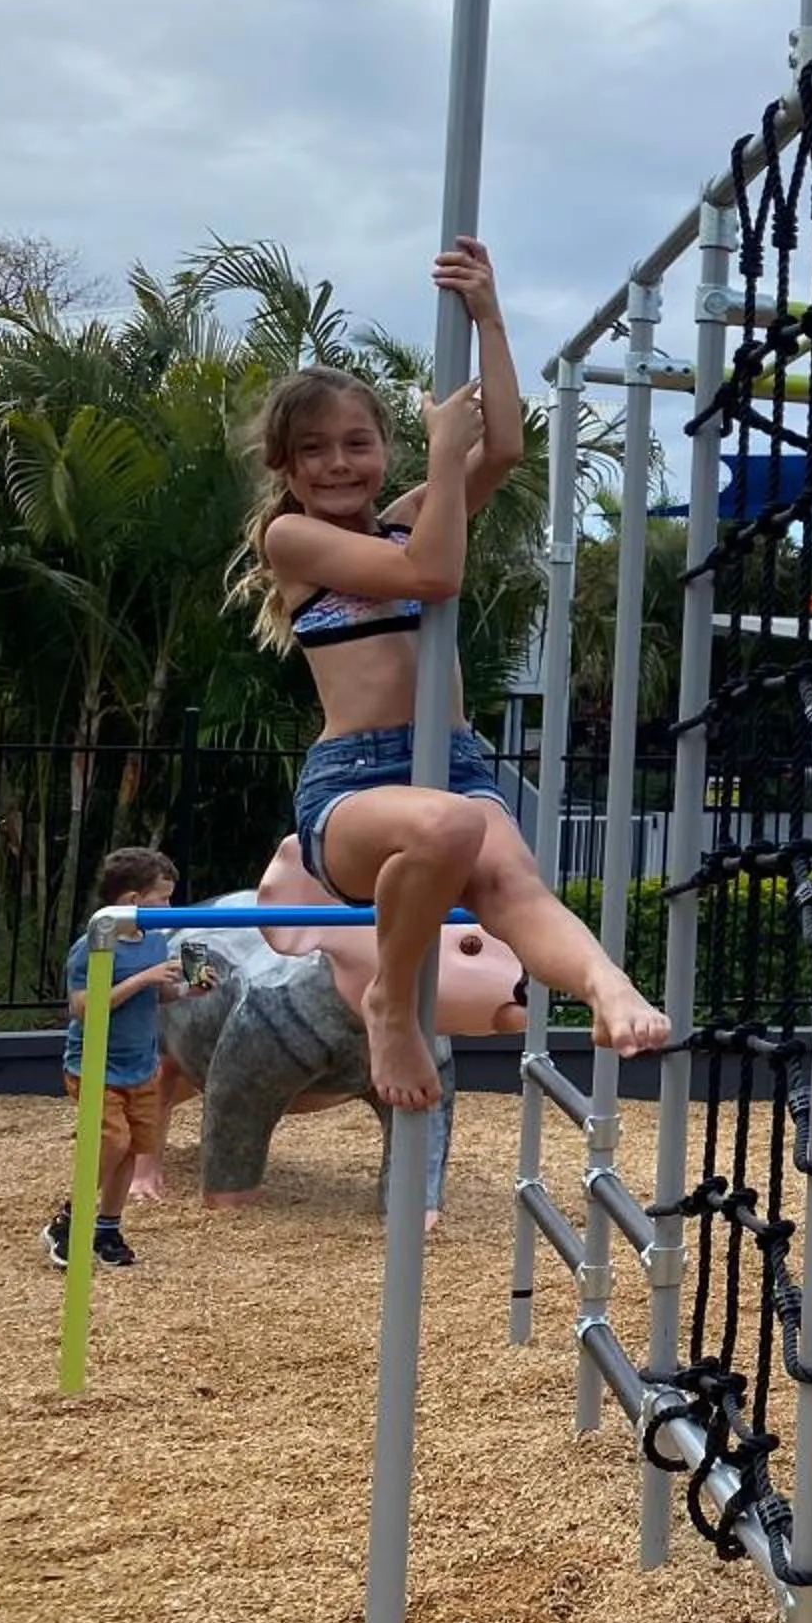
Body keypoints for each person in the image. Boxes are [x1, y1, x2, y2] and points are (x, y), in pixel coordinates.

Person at [230, 237, 667, 1111]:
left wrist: (489, 315)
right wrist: (440, 457)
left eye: (358, 443)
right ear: (286, 468)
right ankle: (393, 1003)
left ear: (383, 448)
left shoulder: (401, 521)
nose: (340, 463)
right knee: (446, 831)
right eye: (315, 450)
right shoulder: (295, 542)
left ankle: (606, 983)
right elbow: (435, 577)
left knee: (513, 881)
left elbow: (502, 446)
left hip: (454, 763)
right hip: (356, 785)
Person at [43, 848, 183, 1270]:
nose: (169, 907)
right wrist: (144, 977)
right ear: (132, 902)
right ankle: (69, 1219)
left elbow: (161, 994)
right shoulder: (93, 945)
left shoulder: (155, 942)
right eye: (163, 897)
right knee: (112, 1140)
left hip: (141, 1064)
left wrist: (188, 987)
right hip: (95, 1065)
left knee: (132, 1150)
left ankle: (107, 1227)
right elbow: (83, 1007)